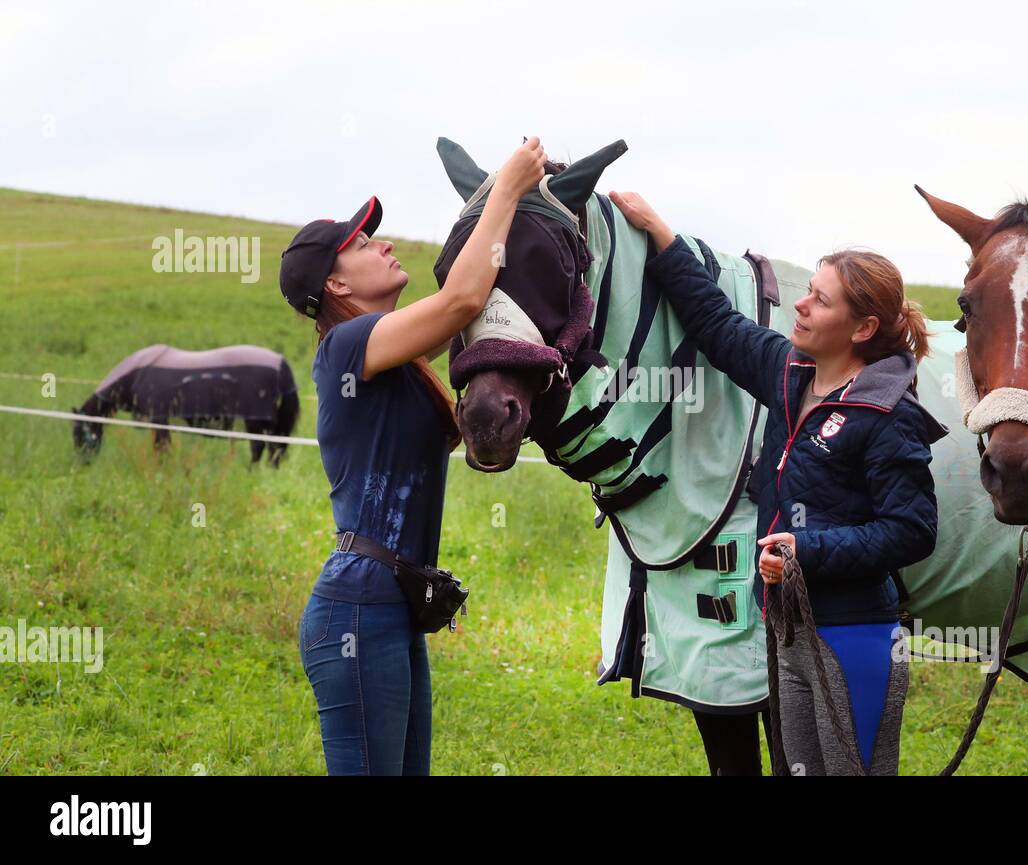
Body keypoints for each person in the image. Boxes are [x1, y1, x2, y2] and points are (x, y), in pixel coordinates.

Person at [609, 190, 946, 775]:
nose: (802, 307)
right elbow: (715, 323)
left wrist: (804, 550)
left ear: (863, 327)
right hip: (788, 627)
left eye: (821, 300)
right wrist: (660, 233)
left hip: (855, 636)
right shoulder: (789, 371)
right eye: (808, 292)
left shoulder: (890, 414)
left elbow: (912, 531)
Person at [279, 137, 548, 775]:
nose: (386, 244)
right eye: (363, 243)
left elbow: (470, 328)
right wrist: (505, 188)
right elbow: (460, 300)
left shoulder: (398, 365)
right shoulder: (347, 346)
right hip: (357, 605)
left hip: (392, 599)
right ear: (337, 282)